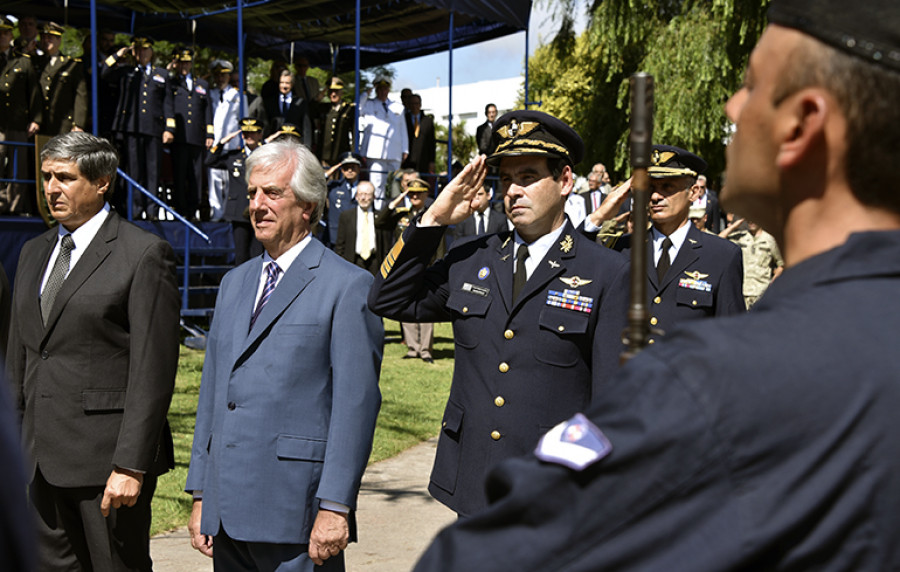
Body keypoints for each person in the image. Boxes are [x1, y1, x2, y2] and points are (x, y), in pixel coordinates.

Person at [412, 1, 900, 568]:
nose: (732, 105)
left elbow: (480, 556)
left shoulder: (713, 380)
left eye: (752, 86)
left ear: (803, 123)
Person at [369, 110, 630, 516]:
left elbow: (613, 401)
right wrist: (435, 218)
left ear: (564, 181)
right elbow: (389, 300)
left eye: (527, 177)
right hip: (474, 479)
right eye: (505, 179)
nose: (513, 191)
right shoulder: (471, 258)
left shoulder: (606, 272)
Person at [185, 139, 383, 572]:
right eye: (252, 193)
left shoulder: (347, 285)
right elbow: (214, 394)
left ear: (309, 205)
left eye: (272, 193)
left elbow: (356, 405)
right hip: (227, 513)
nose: (257, 204)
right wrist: (201, 492)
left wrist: (335, 505)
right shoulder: (233, 284)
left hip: (297, 513)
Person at [7, 131, 180, 571]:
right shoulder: (33, 252)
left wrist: (131, 465)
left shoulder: (142, 254)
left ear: (102, 181)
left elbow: (153, 372)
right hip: (36, 463)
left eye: (64, 178)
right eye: (46, 177)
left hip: (106, 467)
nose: (50, 189)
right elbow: (21, 358)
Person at [586, 145, 744, 342]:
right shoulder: (623, 248)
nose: (654, 196)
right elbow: (573, 263)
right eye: (650, 187)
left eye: (667, 187)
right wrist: (599, 215)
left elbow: (731, 337)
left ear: (693, 192)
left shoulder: (721, 255)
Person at [103, 35, 173, 218]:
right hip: (131, 128)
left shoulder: (162, 74)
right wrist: (118, 55)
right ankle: (135, 209)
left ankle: (151, 210)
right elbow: (103, 72)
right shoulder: (126, 71)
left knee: (152, 171)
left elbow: (167, 103)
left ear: (152, 51)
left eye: (145, 49)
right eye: (138, 50)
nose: (142, 53)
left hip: (154, 129)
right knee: (134, 171)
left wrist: (169, 128)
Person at [205, 117, 264, 265]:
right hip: (239, 210)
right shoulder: (234, 156)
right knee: (241, 255)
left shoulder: (265, 156)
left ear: (260, 135)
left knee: (257, 254)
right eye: (245, 134)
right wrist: (221, 143)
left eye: (253, 133)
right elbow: (209, 161)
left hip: (260, 209)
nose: (249, 137)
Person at [0, 16, 42, 216]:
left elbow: (34, 93)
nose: (2, 37)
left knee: (18, 168)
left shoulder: (22, 60)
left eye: (6, 32)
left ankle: (14, 207)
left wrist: (36, 119)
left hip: (17, 123)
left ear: (11, 35)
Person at [167, 47, 214, 220]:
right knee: (179, 175)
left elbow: (207, 110)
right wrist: (169, 68)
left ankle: (193, 210)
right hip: (179, 137)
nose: (184, 66)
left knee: (196, 175)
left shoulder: (202, 84)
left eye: (187, 62)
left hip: (196, 136)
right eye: (181, 62)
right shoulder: (170, 83)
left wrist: (209, 134)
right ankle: (181, 210)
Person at [359, 76, 408, 205]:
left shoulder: (397, 107)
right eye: (379, 89)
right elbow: (357, 109)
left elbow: (403, 129)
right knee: (377, 183)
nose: (382, 91)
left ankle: (394, 211)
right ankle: (378, 211)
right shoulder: (369, 104)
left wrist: (405, 149)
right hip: (375, 152)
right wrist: (365, 93)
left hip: (394, 151)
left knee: (395, 184)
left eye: (385, 88)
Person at [208, 59, 246, 222]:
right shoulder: (210, 94)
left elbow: (243, 120)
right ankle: (216, 213)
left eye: (224, 75)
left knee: (230, 182)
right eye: (217, 75)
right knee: (214, 180)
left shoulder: (238, 95)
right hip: (215, 144)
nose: (220, 78)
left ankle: (228, 215)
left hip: (232, 145)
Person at [721, 217, 784, 309]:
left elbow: (781, 264)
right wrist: (734, 226)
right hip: (741, 291)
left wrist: (773, 283)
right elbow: (717, 240)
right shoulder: (740, 237)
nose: (751, 221)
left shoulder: (770, 240)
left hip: (761, 291)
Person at [37, 22, 87, 136]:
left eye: (50, 38)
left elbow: (80, 94)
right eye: (43, 37)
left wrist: (78, 123)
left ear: (58, 40)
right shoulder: (35, 62)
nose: (46, 41)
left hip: (62, 123)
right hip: (40, 123)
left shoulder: (71, 64)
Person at [335, 181, 393, 275]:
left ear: (373, 197)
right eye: (360, 194)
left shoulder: (381, 216)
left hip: (375, 263)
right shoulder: (346, 216)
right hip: (353, 262)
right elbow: (340, 245)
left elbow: (386, 246)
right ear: (356, 196)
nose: (363, 198)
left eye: (366, 194)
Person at [324, 152, 363, 246]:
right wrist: (331, 171)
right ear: (341, 170)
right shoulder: (333, 186)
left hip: (356, 236)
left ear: (359, 169)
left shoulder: (364, 187)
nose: (349, 170)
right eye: (346, 168)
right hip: (335, 236)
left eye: (353, 167)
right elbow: (314, 185)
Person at [318, 77, 355, 167]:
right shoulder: (324, 108)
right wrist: (322, 94)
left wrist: (353, 153)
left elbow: (354, 132)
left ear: (342, 92)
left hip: (341, 153)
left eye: (336, 91)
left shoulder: (349, 109)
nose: (333, 94)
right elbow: (311, 108)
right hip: (325, 154)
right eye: (330, 91)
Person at [402, 93, 436, 175]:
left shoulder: (427, 121)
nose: (414, 106)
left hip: (423, 160)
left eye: (416, 103)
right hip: (407, 160)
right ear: (409, 105)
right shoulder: (403, 119)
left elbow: (431, 142)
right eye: (412, 104)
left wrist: (432, 161)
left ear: (420, 104)